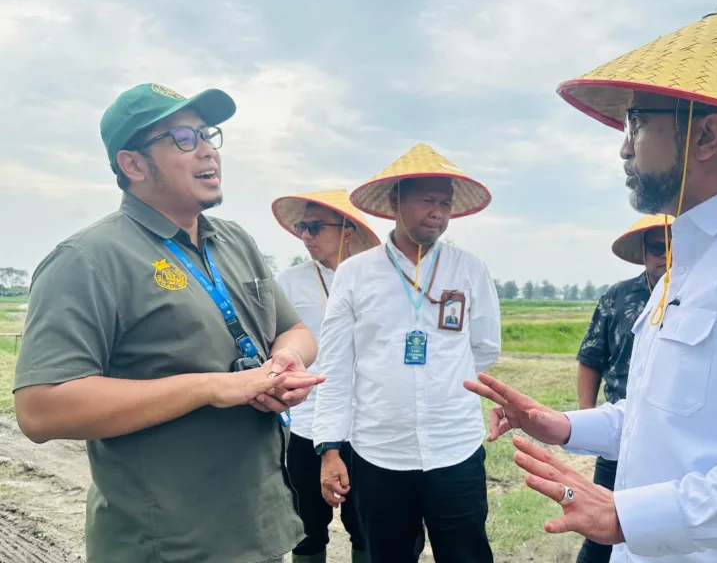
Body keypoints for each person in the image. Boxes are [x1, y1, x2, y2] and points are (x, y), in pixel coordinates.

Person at [466, 9, 717, 562]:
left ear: (707, 135)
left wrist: (629, 515)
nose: (623, 148)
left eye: (636, 123)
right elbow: (662, 417)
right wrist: (561, 425)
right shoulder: (688, 264)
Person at [12, 83, 324, 563]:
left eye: (207, 134)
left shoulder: (233, 241)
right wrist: (209, 387)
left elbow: (295, 331)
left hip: (259, 526)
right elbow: (40, 410)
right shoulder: (89, 259)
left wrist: (284, 361)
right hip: (167, 543)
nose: (207, 151)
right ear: (133, 164)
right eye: (182, 137)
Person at [312, 143, 501, 563]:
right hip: (379, 452)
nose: (437, 212)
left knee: (467, 554)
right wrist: (330, 449)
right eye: (427, 201)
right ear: (395, 201)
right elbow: (337, 367)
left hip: (455, 447)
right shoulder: (356, 274)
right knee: (389, 555)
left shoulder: (469, 270)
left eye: (445, 204)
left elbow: (485, 348)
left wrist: (442, 381)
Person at [272, 189, 382, 563]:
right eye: (302, 226)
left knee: (368, 523)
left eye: (315, 227)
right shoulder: (288, 283)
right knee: (305, 524)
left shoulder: (376, 279)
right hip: (305, 420)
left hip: (364, 422)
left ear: (347, 230)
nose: (306, 235)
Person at [575, 214, 671, 563]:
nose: (666, 256)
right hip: (618, 434)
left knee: (663, 536)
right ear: (644, 252)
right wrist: (588, 419)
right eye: (658, 248)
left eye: (674, 247)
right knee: (600, 531)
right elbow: (591, 359)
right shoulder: (617, 297)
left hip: (674, 440)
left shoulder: (700, 294)